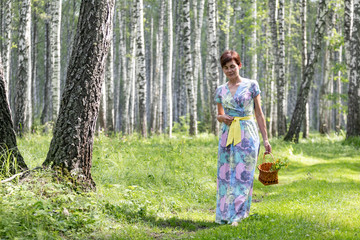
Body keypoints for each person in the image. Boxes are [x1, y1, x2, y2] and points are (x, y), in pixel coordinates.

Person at [214, 50, 271, 226]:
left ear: (239, 65)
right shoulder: (220, 90)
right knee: (226, 175)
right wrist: (222, 118)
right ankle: (224, 214)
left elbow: (259, 114)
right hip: (227, 135)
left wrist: (266, 139)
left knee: (243, 174)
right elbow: (219, 114)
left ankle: (238, 215)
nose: (230, 70)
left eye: (232, 66)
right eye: (226, 68)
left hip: (247, 133)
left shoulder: (251, 85)